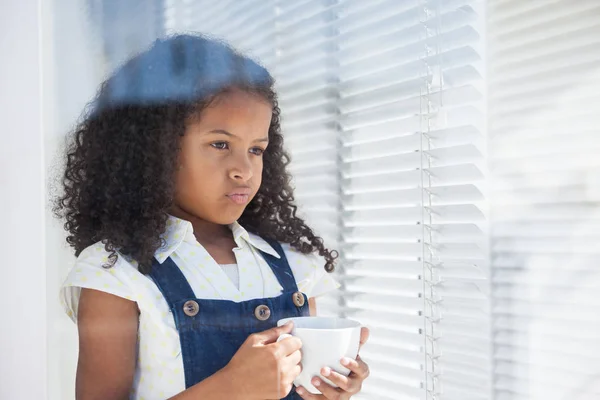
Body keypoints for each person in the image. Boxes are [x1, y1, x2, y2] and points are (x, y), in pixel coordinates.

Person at [54, 34, 370, 400]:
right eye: (220, 144)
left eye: (256, 149)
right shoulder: (114, 273)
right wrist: (229, 388)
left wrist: (332, 387)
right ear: (154, 150)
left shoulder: (293, 266)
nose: (244, 170)